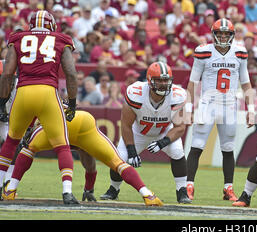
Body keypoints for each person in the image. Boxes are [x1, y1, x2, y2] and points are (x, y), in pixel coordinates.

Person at [2, 109, 163, 206]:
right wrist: (88, 188)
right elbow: (90, 166)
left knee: (29, 149)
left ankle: (11, 189)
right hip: (83, 122)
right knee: (117, 163)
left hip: (58, 124)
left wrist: (29, 129)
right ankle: (147, 194)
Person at [0, 10, 79, 204]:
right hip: (47, 92)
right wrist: (73, 102)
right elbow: (71, 74)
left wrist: (2, 102)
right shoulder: (61, 39)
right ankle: (67, 192)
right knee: (62, 145)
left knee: (10, 142)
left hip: (23, 92)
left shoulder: (18, 38)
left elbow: (7, 74)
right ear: (51, 26)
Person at [100, 61, 192, 204]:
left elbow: (180, 127)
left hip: (164, 131)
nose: (163, 84)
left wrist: (163, 142)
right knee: (120, 157)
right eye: (159, 80)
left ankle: (182, 191)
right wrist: (131, 150)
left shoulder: (178, 95)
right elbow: (126, 125)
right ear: (149, 81)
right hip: (138, 132)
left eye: (166, 80)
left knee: (178, 151)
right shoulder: (135, 93)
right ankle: (113, 189)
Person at [185, 18, 255, 202]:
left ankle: (228, 188)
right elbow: (192, 82)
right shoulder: (203, 52)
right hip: (207, 103)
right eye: (220, 33)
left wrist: (252, 109)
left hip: (229, 105)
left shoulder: (239, 53)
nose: (223, 37)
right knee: (197, 146)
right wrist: (188, 108)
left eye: (226, 34)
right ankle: (188, 186)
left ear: (232, 36)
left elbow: (246, 83)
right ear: (213, 34)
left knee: (228, 148)